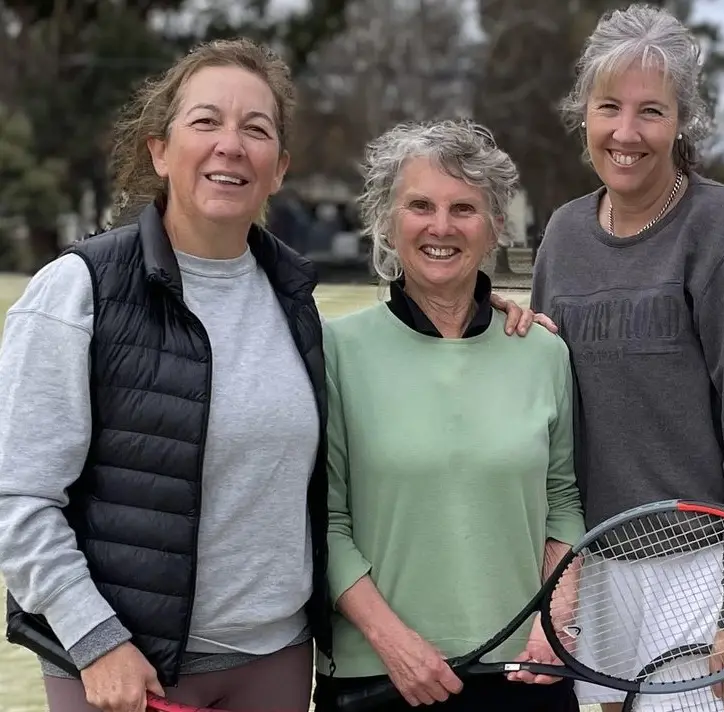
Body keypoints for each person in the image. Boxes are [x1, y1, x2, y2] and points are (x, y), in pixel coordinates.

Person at [0, 40, 544, 712]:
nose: (230, 144)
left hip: (275, 667)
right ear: (159, 151)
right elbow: (18, 500)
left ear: (279, 167)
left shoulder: (294, 298)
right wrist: (96, 640)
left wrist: (478, 305)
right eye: (205, 122)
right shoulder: (76, 291)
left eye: (255, 129)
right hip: (127, 672)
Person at [531, 4, 724, 709]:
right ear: (583, 115)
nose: (626, 134)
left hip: (703, 569)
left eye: (650, 111)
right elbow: (546, 397)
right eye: (608, 108)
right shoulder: (563, 234)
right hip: (595, 566)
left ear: (682, 120)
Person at [310, 119, 587, 712]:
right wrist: (395, 644)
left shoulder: (543, 352)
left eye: (464, 208)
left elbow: (562, 501)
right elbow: (324, 521)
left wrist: (555, 616)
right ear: (388, 221)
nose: (441, 226)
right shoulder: (336, 350)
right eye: (420, 205)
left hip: (525, 673)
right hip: (379, 677)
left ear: (494, 228)